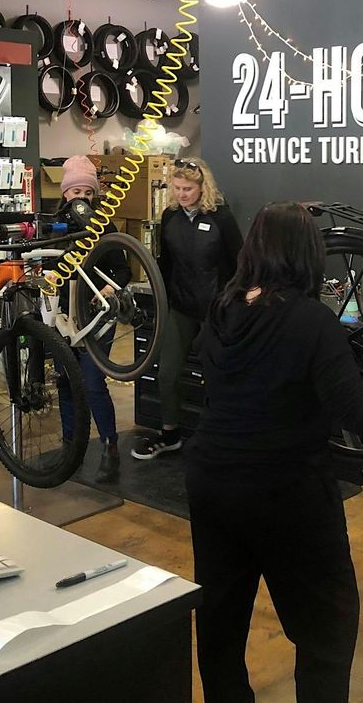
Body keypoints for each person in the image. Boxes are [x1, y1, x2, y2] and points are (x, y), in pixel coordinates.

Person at [187, 202, 363, 702]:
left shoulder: (222, 307)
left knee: (220, 621)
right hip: (287, 492)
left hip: (212, 481)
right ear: (307, 255)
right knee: (326, 629)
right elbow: (356, 412)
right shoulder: (311, 320)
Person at [133, 158, 242, 460]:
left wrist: (233, 305)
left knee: (216, 376)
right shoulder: (170, 217)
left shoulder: (222, 219)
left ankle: (218, 437)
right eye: (177, 188)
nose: (182, 194)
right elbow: (164, 263)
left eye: (188, 189)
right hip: (179, 306)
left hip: (215, 310)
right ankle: (170, 433)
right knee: (167, 373)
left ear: (201, 187)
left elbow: (239, 264)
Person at [54, 155, 129, 482]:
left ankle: (110, 447)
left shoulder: (104, 225)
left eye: (87, 191)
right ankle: (71, 445)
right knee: (64, 380)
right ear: (64, 193)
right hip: (61, 315)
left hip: (97, 315)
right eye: (75, 191)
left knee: (93, 382)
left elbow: (124, 269)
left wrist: (109, 290)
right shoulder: (53, 225)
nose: (81, 197)